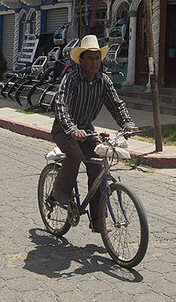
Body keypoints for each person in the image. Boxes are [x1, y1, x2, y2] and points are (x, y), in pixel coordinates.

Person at [50, 34, 139, 232]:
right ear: (81, 60)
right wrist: (72, 129)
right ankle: (60, 191)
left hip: (87, 132)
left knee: (98, 168)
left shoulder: (104, 81)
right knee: (75, 155)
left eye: (97, 58)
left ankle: (98, 221)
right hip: (64, 130)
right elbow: (61, 105)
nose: (95, 62)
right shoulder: (71, 78)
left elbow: (116, 105)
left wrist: (127, 123)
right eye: (90, 58)